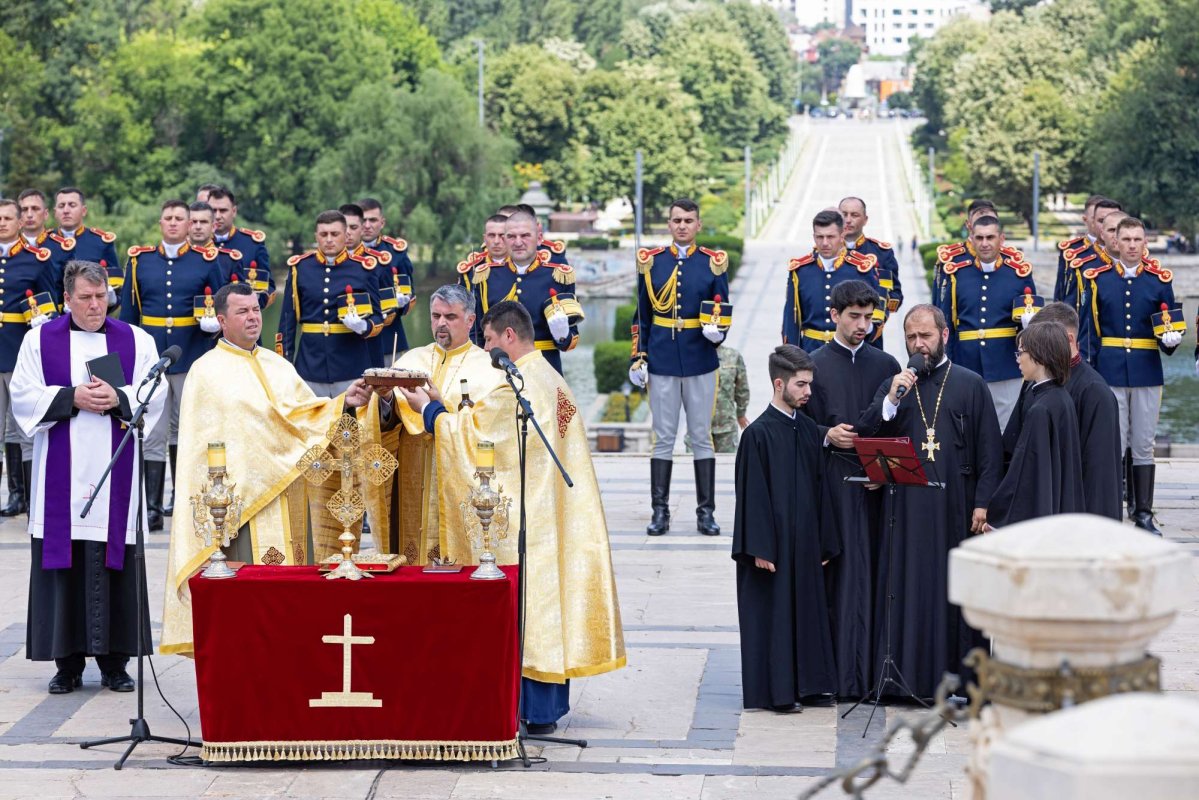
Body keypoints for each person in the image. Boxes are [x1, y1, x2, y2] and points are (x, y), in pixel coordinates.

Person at [395, 300, 625, 734]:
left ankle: (528, 710)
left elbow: (478, 438)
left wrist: (429, 411)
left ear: (509, 337)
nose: (485, 348)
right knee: (543, 607)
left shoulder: (513, 385)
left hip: (525, 517)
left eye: (489, 339)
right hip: (549, 510)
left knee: (527, 610)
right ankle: (543, 710)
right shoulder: (548, 376)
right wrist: (445, 404)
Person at [160, 282, 384, 655]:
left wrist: (345, 402)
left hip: (290, 499)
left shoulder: (278, 365)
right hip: (244, 508)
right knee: (250, 604)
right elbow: (212, 444)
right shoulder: (206, 372)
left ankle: (293, 672)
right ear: (221, 320)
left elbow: (303, 416)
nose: (252, 318)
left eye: (256, 310)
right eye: (242, 312)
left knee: (293, 601)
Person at [11, 260, 166, 694]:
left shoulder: (136, 340)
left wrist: (119, 396)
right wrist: (71, 397)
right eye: (86, 298)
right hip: (61, 473)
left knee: (114, 561)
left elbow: (156, 393)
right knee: (65, 564)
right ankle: (67, 665)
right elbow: (22, 395)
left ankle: (116, 664)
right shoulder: (39, 340)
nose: (96, 305)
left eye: (101, 297)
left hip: (115, 471)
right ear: (67, 299)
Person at [856, 304, 1003, 700]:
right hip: (905, 511)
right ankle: (908, 680)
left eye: (926, 336)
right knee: (908, 589)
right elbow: (866, 434)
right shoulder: (897, 386)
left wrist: (983, 503)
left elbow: (991, 451)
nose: (919, 345)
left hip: (957, 507)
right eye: (911, 338)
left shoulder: (971, 384)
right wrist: (890, 399)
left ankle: (963, 682)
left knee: (956, 594)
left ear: (944, 336)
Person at [803, 280, 900, 699]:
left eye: (869, 318)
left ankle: (878, 672)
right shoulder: (813, 364)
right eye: (854, 317)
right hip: (835, 487)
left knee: (879, 574)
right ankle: (839, 676)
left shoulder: (887, 364)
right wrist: (827, 434)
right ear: (835, 316)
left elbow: (901, 426)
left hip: (880, 486)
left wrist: (885, 469)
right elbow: (799, 426)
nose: (863, 325)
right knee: (839, 579)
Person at [733, 344, 838, 711]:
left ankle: (810, 686)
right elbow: (751, 496)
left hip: (806, 544)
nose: (808, 392)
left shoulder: (808, 430)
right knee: (775, 616)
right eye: (801, 385)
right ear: (780, 384)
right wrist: (759, 547)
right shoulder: (757, 435)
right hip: (772, 548)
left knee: (807, 612)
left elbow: (821, 489)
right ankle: (777, 693)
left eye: (809, 384)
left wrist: (825, 542)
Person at [361, 284, 498, 565]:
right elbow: (385, 425)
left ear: (470, 320)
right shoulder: (411, 360)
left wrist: (437, 410)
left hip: (457, 481)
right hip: (412, 480)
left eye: (450, 317)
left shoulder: (488, 367)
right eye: (436, 316)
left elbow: (485, 431)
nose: (441, 324)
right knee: (412, 561)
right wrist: (385, 399)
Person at [119, 199, 226, 532]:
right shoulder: (140, 261)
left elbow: (219, 304)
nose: (175, 223)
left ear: (189, 223)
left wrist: (215, 327)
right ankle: (151, 506)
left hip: (191, 352)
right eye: (169, 218)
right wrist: (127, 358)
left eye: (181, 218)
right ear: (160, 222)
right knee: (152, 430)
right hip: (152, 358)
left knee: (186, 430)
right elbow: (128, 313)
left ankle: (182, 500)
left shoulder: (205, 261)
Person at [630, 198, 729, 536]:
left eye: (689, 220)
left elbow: (722, 309)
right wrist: (638, 356)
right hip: (662, 358)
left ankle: (706, 513)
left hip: (701, 357)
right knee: (663, 438)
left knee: (701, 437)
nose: (682, 225)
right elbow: (641, 315)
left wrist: (719, 334)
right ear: (669, 225)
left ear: (698, 225)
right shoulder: (652, 263)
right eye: (676, 220)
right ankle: (660, 512)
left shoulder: (713, 263)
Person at [1078, 217, 1180, 534]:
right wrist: (1089, 374)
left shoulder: (1159, 280)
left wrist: (1169, 340)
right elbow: (1087, 334)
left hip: (1147, 369)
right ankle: (1111, 510)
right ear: (1116, 243)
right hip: (1109, 370)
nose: (1132, 245)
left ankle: (1143, 512)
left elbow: (1168, 330)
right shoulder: (1098, 280)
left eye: (1138, 240)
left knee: (1143, 444)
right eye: (1127, 240)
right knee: (1113, 443)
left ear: (1145, 243)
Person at [1009, 303, 1122, 520]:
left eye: (1041, 341)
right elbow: (1014, 445)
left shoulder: (1095, 393)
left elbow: (1100, 476)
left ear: (1068, 339)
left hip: (1073, 514)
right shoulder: (1035, 381)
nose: (1034, 350)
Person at [937, 215, 1036, 430]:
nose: (984, 243)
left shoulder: (1018, 275)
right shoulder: (957, 275)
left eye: (990, 237)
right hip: (966, 363)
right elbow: (948, 326)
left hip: (1006, 365)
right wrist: (948, 363)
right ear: (970, 238)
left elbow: (1031, 328)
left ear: (1001, 239)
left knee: (1005, 429)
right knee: (967, 428)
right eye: (979, 237)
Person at [988, 321, 1084, 527]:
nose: (1018, 360)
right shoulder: (1062, 397)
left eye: (1021, 352)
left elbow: (1025, 475)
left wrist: (997, 516)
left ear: (1039, 356)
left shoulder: (1040, 409)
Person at [465, 211, 579, 375]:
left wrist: (562, 335)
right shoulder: (485, 276)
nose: (518, 242)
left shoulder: (559, 276)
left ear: (539, 238)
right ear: (504, 240)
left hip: (545, 369)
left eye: (525, 235)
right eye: (511, 236)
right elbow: (476, 333)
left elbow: (570, 342)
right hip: (497, 372)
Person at [782, 209, 883, 351]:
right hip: (810, 352)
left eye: (830, 237)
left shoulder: (861, 269)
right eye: (819, 237)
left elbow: (875, 316)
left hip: (851, 350)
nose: (824, 243)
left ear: (842, 236)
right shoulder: (800, 271)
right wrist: (791, 358)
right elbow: (791, 321)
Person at [839, 197, 902, 349]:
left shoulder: (881, 253)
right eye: (844, 214)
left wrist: (874, 324)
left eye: (854, 215)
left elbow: (894, 295)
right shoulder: (827, 254)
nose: (848, 220)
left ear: (865, 219)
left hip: (869, 340)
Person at [359, 197, 415, 362]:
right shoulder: (344, 253)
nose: (367, 225)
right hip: (352, 340)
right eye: (363, 220)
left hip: (389, 338)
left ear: (382, 223)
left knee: (392, 387)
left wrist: (402, 302)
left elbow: (410, 293)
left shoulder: (396, 252)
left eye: (373, 220)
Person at [207, 187, 275, 308]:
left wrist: (251, 306)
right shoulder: (196, 245)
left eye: (223, 210)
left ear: (234, 211)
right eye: (213, 210)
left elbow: (268, 287)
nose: (217, 216)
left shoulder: (252, 244)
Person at [52, 187, 121, 306]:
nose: (66, 210)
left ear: (83, 210)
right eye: (61, 206)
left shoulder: (100, 242)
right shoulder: (43, 244)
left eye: (72, 205)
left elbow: (117, 288)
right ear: (55, 212)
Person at [933, 199, 997, 299]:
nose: (985, 226)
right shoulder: (950, 260)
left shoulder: (1013, 263)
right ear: (968, 225)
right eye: (979, 222)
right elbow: (940, 305)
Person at [711, 343, 749, 453]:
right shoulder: (691, 354)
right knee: (696, 468)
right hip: (697, 429)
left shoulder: (733, 356)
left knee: (726, 467)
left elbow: (742, 388)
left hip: (726, 427)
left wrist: (741, 413)